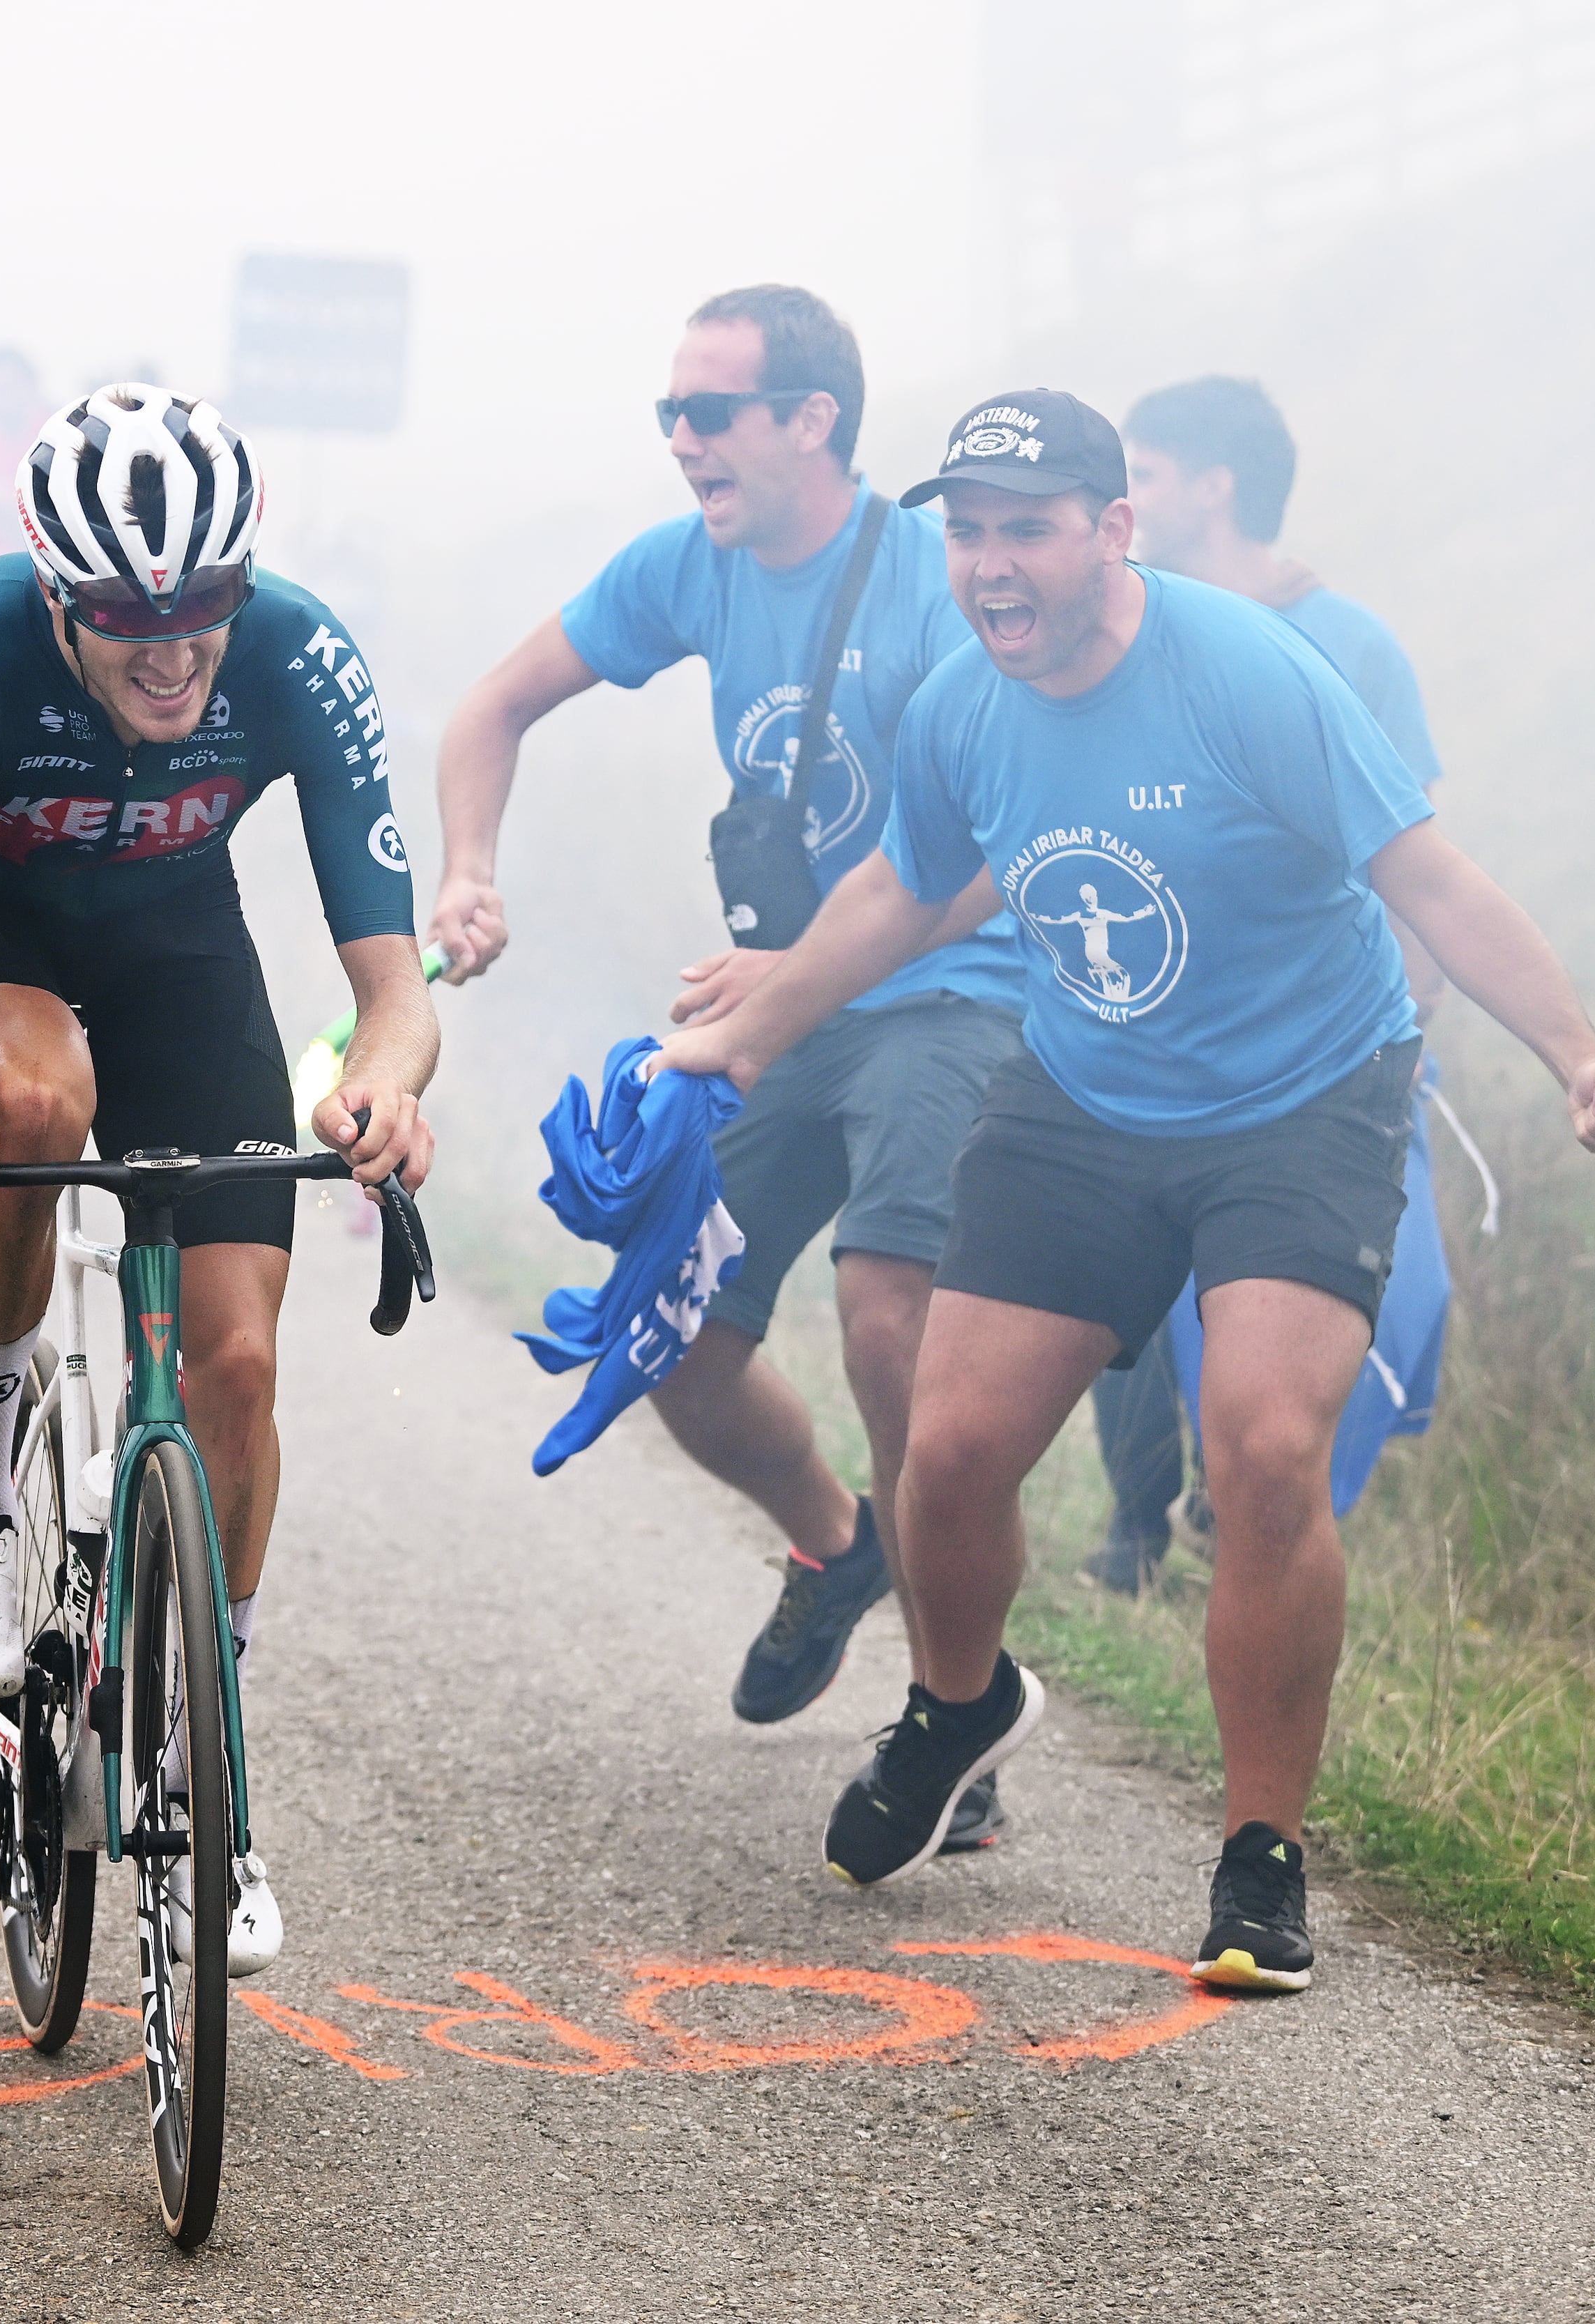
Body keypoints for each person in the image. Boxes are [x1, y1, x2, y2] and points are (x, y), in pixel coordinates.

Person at [650, 388, 1595, 1993]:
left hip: (1301, 1100)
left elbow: (1429, 876)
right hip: (1082, 1099)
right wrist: (740, 1039)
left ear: (1110, 530)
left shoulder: (1251, 673)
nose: (990, 567)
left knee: (1264, 1448)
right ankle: (956, 1703)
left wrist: (1577, 1058)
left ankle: (1259, 1861)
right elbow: (897, 896)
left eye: (1026, 530)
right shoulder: (960, 707)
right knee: (955, 1440)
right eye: (966, 533)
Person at [0, 383, 438, 1978]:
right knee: (33, 1093)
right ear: (59, 597)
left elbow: (393, 991)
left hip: (185, 957)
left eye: (203, 607)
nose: (173, 646)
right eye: (126, 617)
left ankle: (205, 1754)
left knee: (235, 1361)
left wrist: (382, 1079)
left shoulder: (297, 650)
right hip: (3, 947)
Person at [429, 284, 1025, 1830]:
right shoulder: (686, 568)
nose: (682, 440)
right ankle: (838, 1546)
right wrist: (468, 872)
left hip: (956, 990)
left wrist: (814, 957)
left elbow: (1020, 832)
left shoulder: (926, 579)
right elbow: (489, 707)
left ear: (810, 421)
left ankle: (946, 1709)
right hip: (789, 1010)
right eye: (669, 413)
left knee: (890, 1312)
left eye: (711, 412)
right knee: (668, 1328)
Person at [1087, 374, 1456, 1590]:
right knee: (1136, 1294)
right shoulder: (1121, 628)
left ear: (1214, 485)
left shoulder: (1352, 644)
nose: (1119, 500)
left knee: (1391, 1299)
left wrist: (1398, 1042)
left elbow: (1414, 864)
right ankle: (1142, 1521)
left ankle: (1257, 1515)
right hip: (1152, 1031)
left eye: (1139, 472)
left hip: (1328, 1047)